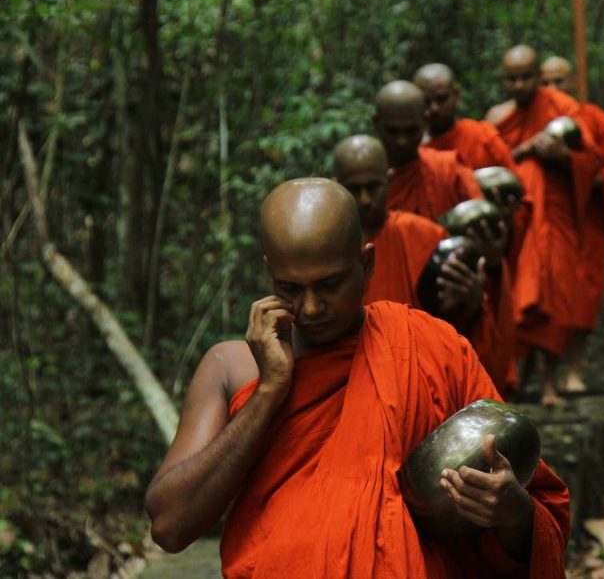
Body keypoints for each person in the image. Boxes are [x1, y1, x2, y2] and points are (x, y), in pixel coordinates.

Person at [143, 178, 570, 578]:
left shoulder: (427, 348)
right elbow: (170, 524)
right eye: (289, 287)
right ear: (269, 270)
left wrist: (512, 513)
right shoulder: (229, 366)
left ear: (366, 263)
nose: (310, 308)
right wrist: (270, 390)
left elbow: (531, 515)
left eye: (329, 284)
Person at [333, 135, 519, 394]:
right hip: (343, 383)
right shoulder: (323, 247)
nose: (365, 199)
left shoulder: (425, 236)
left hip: (414, 382)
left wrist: (471, 301)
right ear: (337, 186)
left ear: (388, 181)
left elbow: (459, 326)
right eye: (355, 189)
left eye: (373, 187)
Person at [485, 45, 599, 407]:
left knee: (551, 297)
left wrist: (562, 156)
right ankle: (519, 378)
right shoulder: (497, 117)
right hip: (515, 223)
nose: (519, 85)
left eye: (526, 77)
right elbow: (486, 168)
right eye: (511, 78)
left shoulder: (563, 109)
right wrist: (527, 150)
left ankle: (551, 380)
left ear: (537, 76)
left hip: (554, 218)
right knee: (514, 298)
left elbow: (591, 161)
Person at [539, 55, 604, 391]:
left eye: (559, 81)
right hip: (552, 219)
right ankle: (548, 373)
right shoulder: (534, 118)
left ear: (574, 82)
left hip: (587, 219)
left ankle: (575, 366)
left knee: (585, 294)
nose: (552, 90)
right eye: (545, 83)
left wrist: (578, 166)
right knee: (549, 294)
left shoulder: (596, 120)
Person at [374, 80, 483, 220]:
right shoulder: (362, 180)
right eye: (393, 131)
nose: (402, 141)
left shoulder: (448, 169)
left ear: (425, 121)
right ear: (376, 123)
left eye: (411, 130)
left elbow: (479, 218)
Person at [414, 63, 518, 172]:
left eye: (441, 99)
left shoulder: (481, 135)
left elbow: (513, 181)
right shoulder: (413, 149)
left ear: (456, 94)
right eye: (426, 101)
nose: (434, 108)